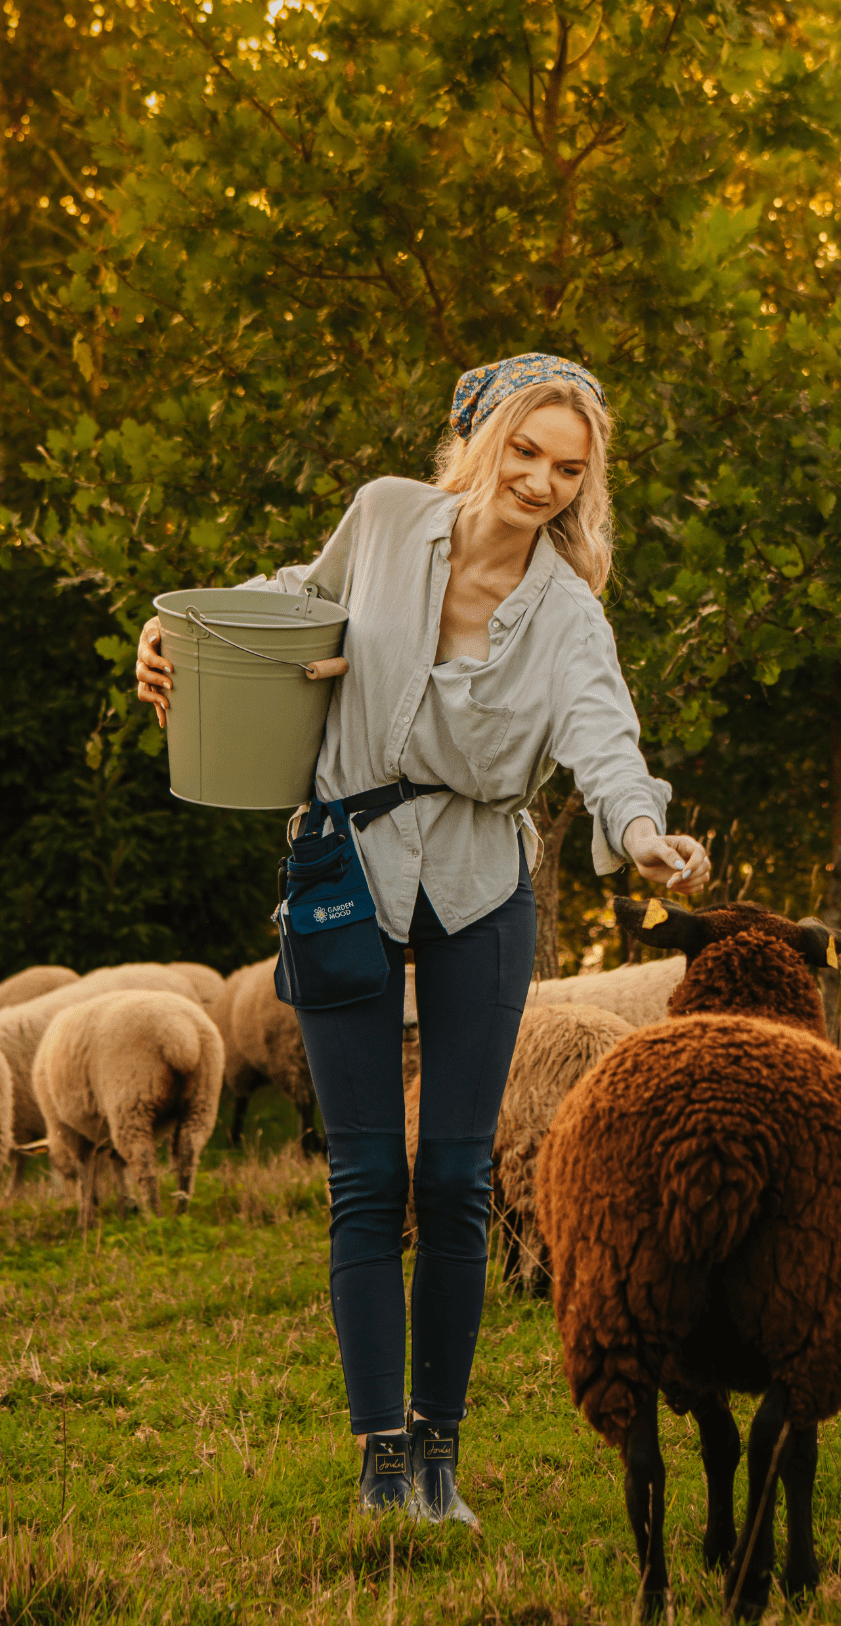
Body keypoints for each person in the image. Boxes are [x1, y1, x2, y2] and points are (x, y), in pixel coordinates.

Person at [135, 352, 710, 1527]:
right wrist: (174, 637)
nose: (542, 481)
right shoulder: (390, 518)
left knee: (453, 1177)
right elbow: (294, 597)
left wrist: (644, 830)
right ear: (482, 437)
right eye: (527, 452)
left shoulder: (567, 612)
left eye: (569, 468)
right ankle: (378, 1460)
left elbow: (604, 738)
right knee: (365, 1177)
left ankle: (439, 1458)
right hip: (344, 873)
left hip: (478, 892)